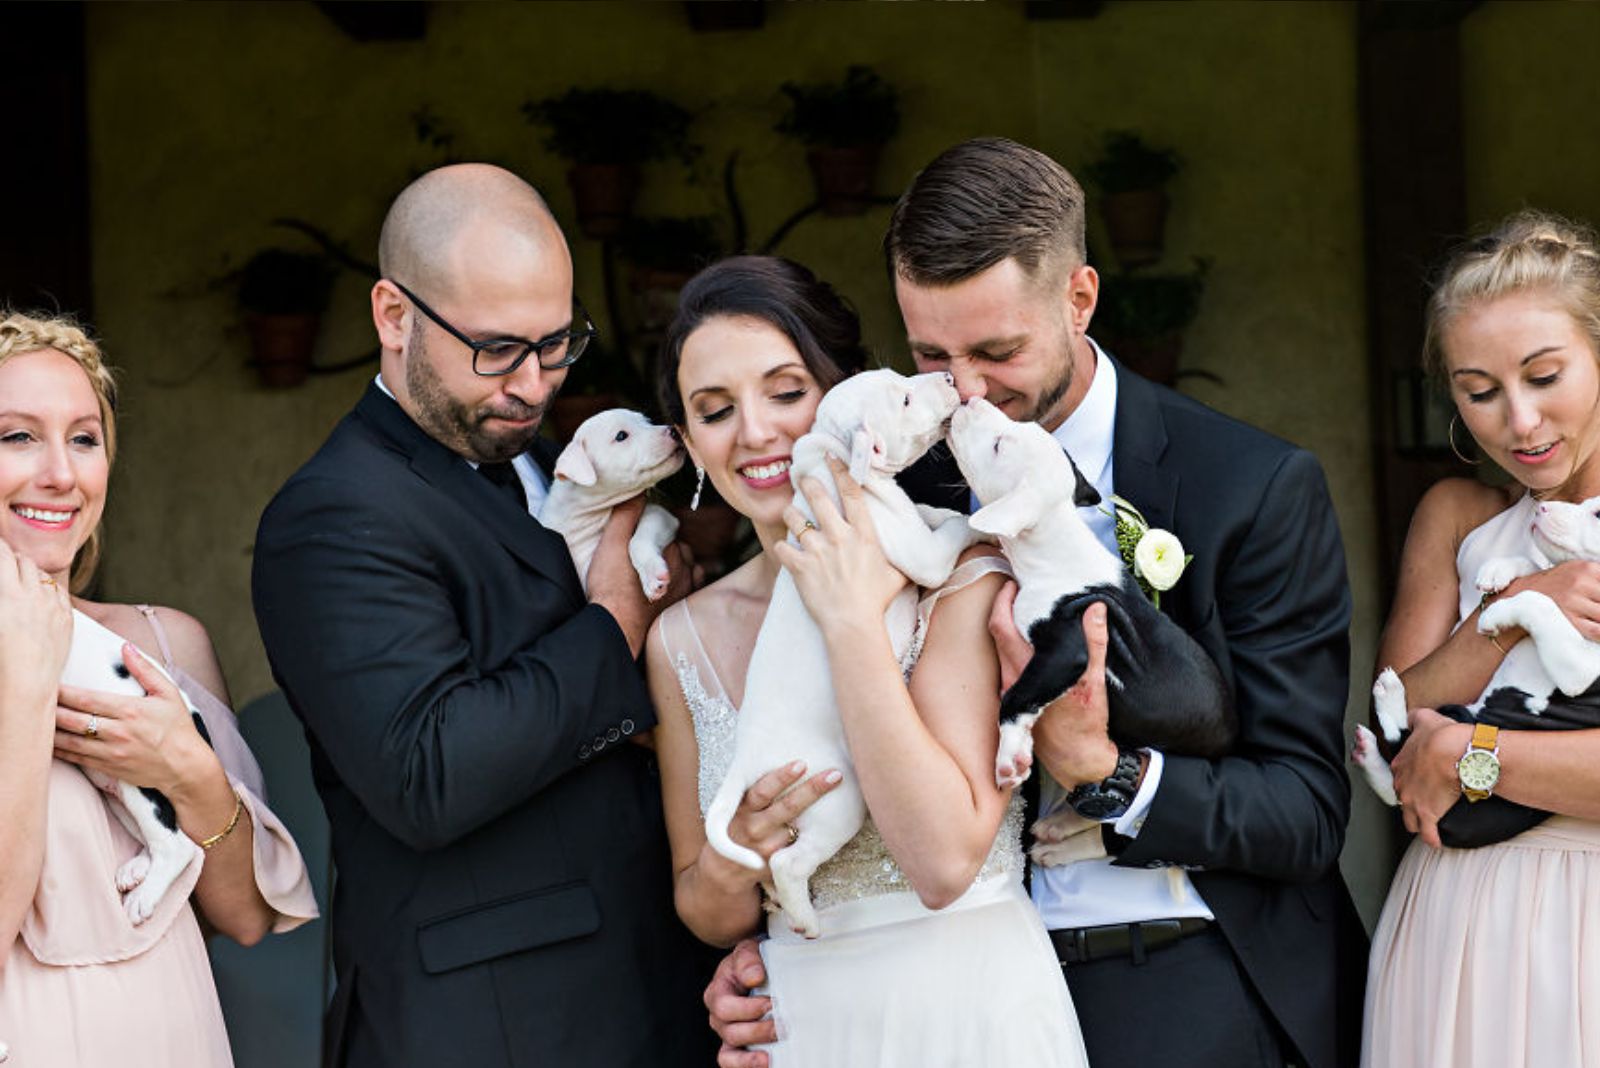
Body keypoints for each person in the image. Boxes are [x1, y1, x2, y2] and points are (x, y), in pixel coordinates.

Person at [707, 138, 1367, 1068]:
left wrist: (1109, 774)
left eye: (997, 350)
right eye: (931, 353)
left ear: (1080, 298)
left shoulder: (1250, 485)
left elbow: (1304, 809)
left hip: (1183, 966)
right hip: (962, 994)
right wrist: (770, 953)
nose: (966, 389)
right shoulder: (901, 481)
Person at [250, 164, 714, 1068]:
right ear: (394, 317)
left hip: (656, 994)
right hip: (489, 1028)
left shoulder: (541, 471)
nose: (535, 385)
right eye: (497, 348)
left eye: (556, 344)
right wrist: (616, 630)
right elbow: (429, 771)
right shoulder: (335, 514)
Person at [647, 254, 1088, 1067]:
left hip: (970, 1010)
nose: (754, 432)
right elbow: (706, 910)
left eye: (786, 392)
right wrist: (736, 850)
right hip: (801, 1026)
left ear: (850, 394)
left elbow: (946, 861)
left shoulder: (964, 572)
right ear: (686, 442)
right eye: (714, 411)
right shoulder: (682, 639)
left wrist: (850, 621)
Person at [0, 311, 317, 1066]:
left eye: (84, 438)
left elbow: (242, 919)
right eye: (17, 436)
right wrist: (24, 685)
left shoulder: (162, 644)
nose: (61, 474)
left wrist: (190, 772)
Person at [1362, 210, 1600, 1068]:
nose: (1520, 421)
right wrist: (1516, 607)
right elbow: (1392, 736)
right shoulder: (1460, 517)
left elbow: (1434, 739)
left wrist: (1476, 752)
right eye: (1480, 390)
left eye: (1545, 376)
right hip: (1458, 921)